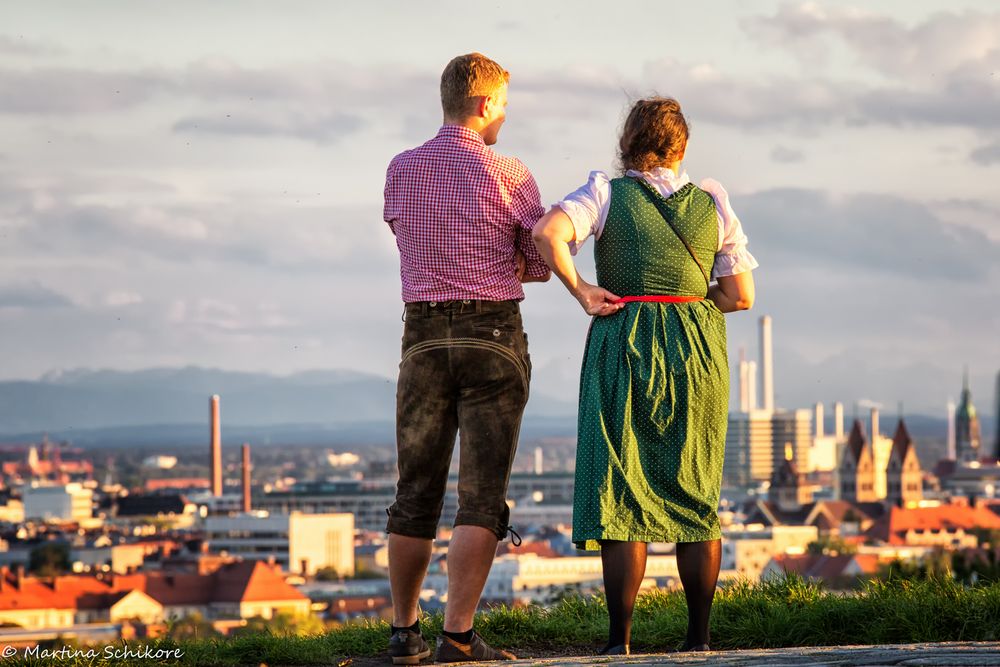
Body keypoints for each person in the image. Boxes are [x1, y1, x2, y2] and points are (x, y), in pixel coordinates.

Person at [532, 97, 757, 655]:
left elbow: (547, 235)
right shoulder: (713, 204)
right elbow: (740, 296)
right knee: (694, 487)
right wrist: (685, 297)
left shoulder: (605, 194)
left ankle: (620, 641)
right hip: (697, 350)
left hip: (624, 340)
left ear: (627, 143)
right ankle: (699, 638)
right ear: (681, 148)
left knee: (621, 485)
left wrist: (583, 289)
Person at [382, 52, 550, 664]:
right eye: (504, 104)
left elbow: (404, 233)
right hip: (492, 334)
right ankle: (457, 635)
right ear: (484, 104)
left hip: (422, 336)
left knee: (415, 490)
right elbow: (536, 264)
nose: (506, 116)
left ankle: (404, 634)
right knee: (481, 496)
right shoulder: (509, 171)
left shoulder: (401, 169)